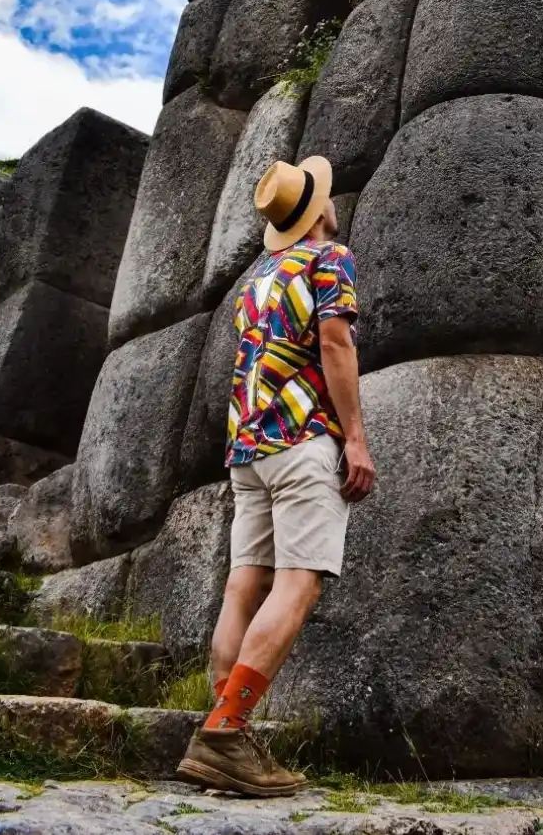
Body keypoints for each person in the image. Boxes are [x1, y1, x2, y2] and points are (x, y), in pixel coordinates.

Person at [177, 155, 376, 797]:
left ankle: (220, 728)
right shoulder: (329, 259)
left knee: (243, 586)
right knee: (298, 585)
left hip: (247, 449)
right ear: (316, 212)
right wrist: (356, 439)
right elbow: (335, 345)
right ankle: (227, 734)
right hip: (301, 440)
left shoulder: (257, 278)